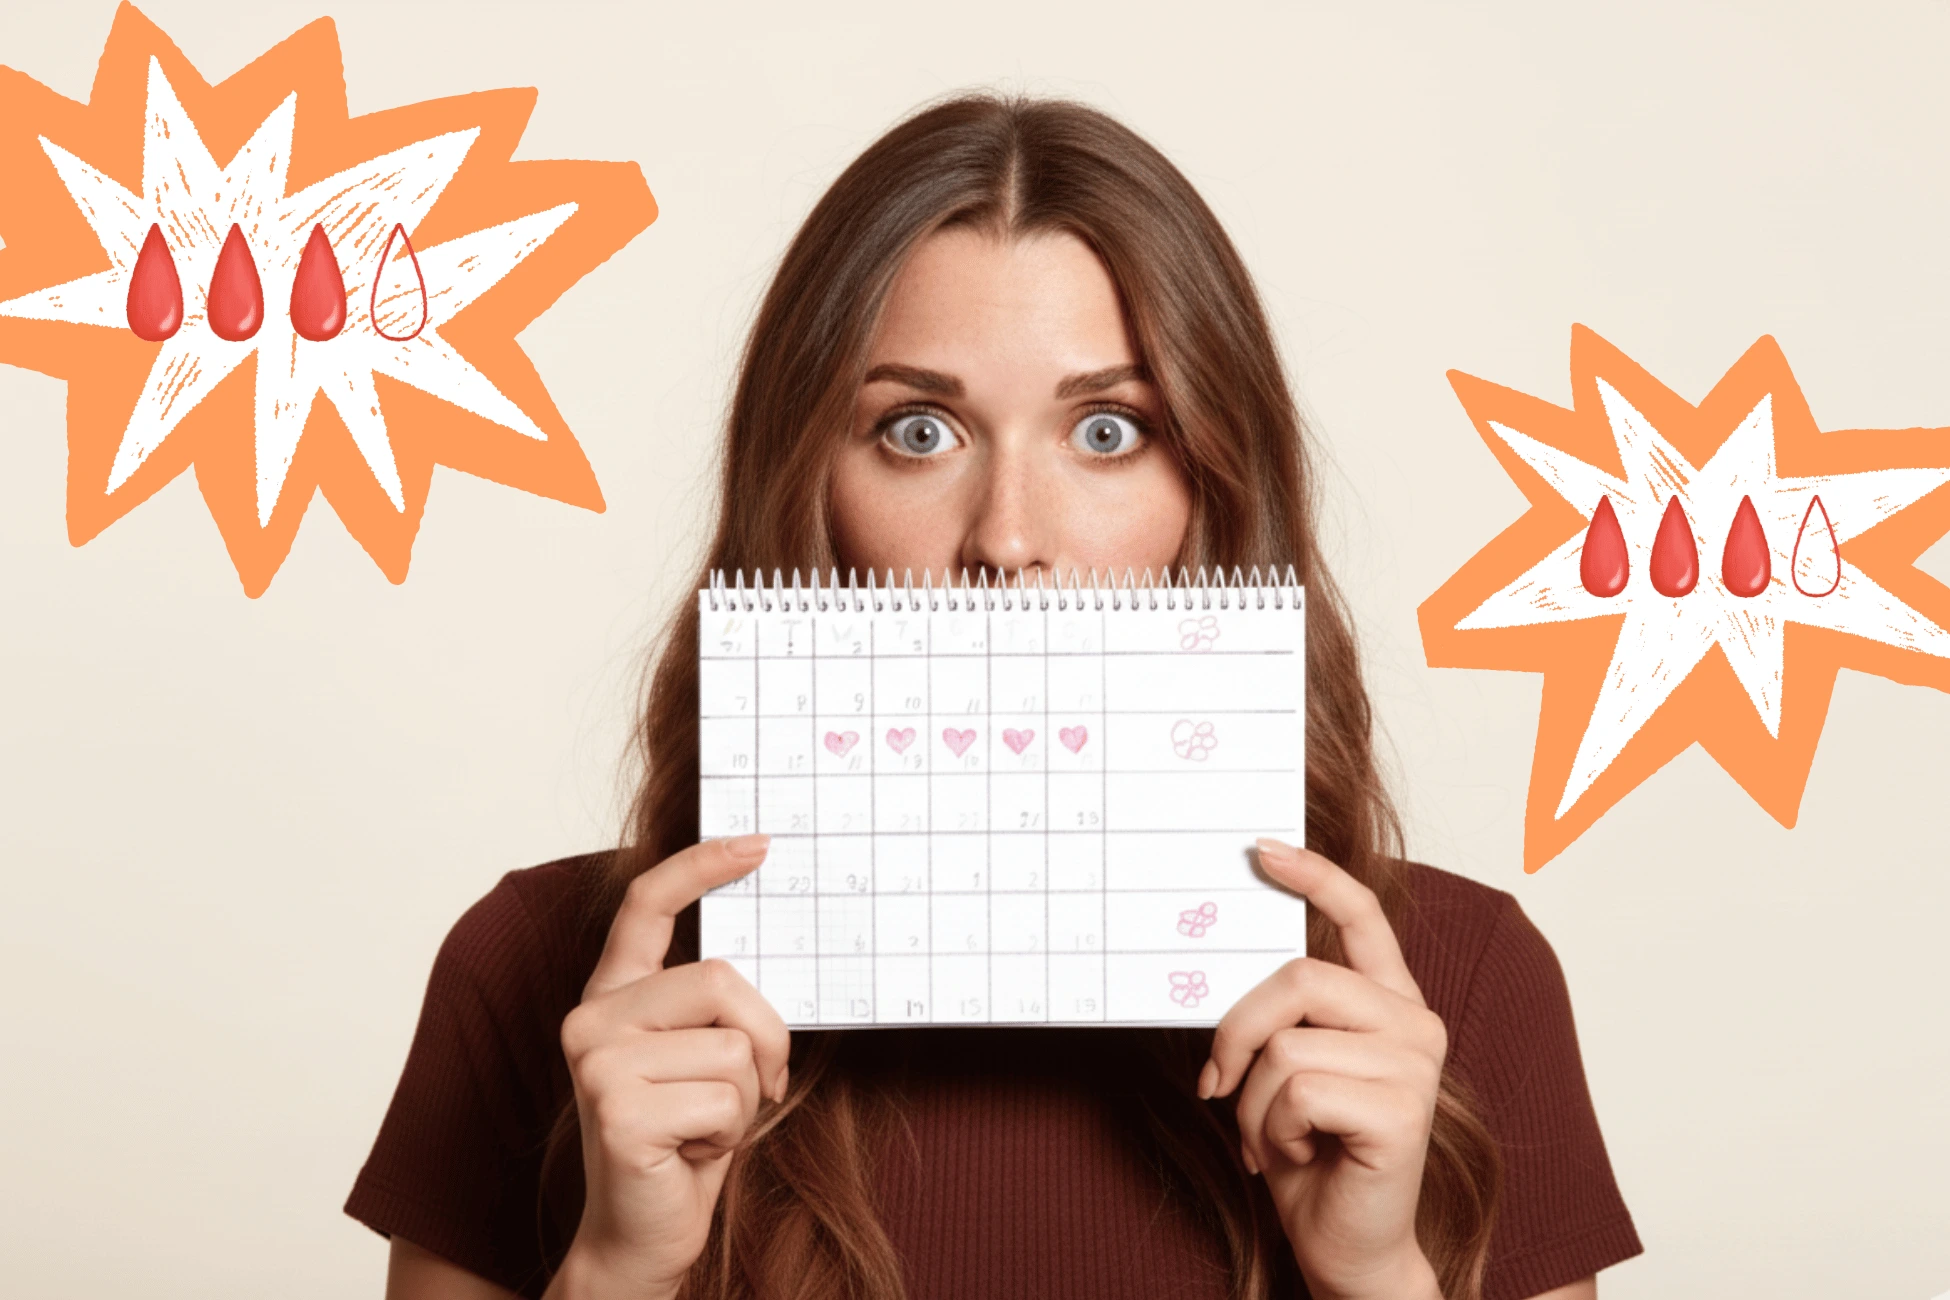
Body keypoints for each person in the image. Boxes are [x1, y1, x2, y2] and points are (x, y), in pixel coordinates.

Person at [346, 95, 1642, 1300]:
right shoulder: (535, 977)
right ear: (804, 489)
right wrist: (615, 1274)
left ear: (1217, 493)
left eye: (1107, 431)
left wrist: (1376, 1278)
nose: (1007, 538)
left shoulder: (1459, 989)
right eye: (918, 431)